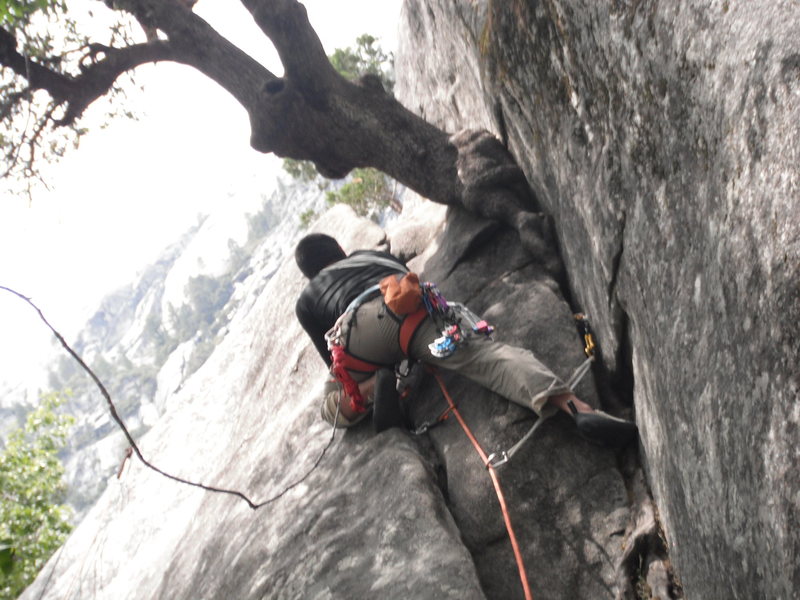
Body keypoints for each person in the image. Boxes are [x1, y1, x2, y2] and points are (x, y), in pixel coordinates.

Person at [294, 233, 637, 447]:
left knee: (332, 403)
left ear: (310, 274)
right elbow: (413, 282)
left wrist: (369, 372)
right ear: (340, 250)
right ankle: (576, 407)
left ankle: (374, 387)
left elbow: (334, 364)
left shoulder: (308, 299)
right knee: (485, 356)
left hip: (358, 330)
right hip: (406, 307)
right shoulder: (372, 256)